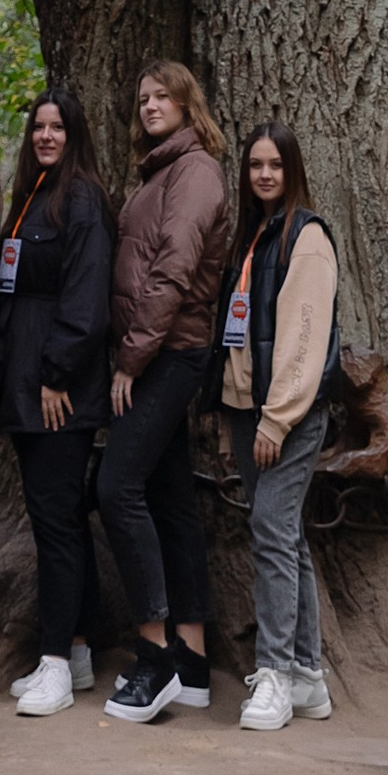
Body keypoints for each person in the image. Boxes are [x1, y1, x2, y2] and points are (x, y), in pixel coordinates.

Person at [102, 58, 231, 727]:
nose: (150, 105)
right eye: (143, 96)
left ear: (188, 105)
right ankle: (193, 660)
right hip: (157, 352)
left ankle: (152, 659)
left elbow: (174, 270)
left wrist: (128, 361)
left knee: (115, 486)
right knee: (172, 499)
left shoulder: (196, 172)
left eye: (163, 96)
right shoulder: (159, 172)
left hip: (168, 354)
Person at [214, 123, 339, 731]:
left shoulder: (306, 237)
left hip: (288, 415)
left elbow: (302, 341)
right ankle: (309, 677)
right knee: (285, 535)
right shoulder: (255, 237)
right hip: (247, 411)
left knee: (269, 529)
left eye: (276, 166)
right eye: (255, 165)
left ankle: (275, 675)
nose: (264, 175)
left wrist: (276, 419)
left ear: (293, 172)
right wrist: (233, 413)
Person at [0, 87, 115, 720]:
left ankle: (55, 668)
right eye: (38, 126)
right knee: (56, 520)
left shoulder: (84, 199)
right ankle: (78, 650)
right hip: (21, 386)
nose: (45, 136)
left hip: (56, 393)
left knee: (57, 525)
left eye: (57, 128)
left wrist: (56, 375)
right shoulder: (30, 199)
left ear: (75, 136)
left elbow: (87, 300)